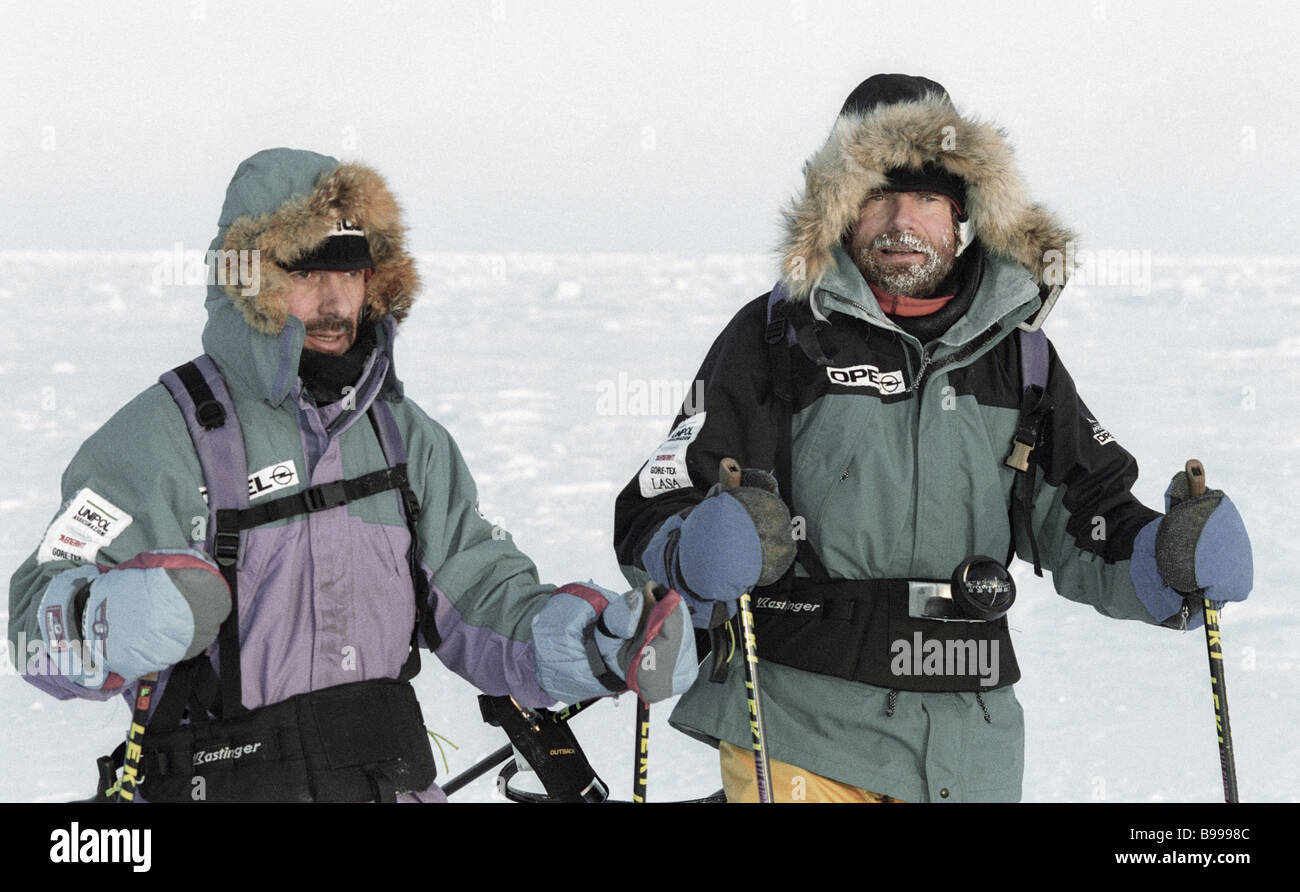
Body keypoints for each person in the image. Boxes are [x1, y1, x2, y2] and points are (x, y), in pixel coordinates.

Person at [613, 74, 1254, 802]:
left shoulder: (1021, 357)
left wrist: (1164, 559)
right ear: (839, 211)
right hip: (796, 735)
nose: (900, 220)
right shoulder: (775, 338)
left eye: (926, 198)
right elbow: (653, 509)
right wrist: (696, 548)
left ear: (965, 214)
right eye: (877, 195)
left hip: (970, 754)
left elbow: (1087, 517)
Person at [8, 147, 696, 802]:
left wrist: (593, 644)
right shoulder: (159, 441)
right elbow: (30, 627)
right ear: (250, 279)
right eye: (307, 274)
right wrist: (110, 618)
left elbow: (482, 598)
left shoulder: (404, 439)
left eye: (353, 272)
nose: (337, 303)